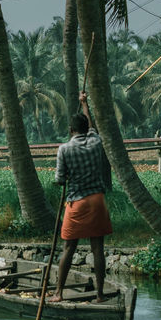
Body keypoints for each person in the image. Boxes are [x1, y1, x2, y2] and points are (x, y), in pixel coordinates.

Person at [49, 91, 113, 304]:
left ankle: (58, 292)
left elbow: (59, 180)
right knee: (98, 249)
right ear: (87, 129)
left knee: (68, 247)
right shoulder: (96, 142)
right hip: (97, 201)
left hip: (77, 203)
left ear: (70, 130)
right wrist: (85, 103)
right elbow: (91, 126)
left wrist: (66, 175)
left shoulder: (64, 149)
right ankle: (100, 294)